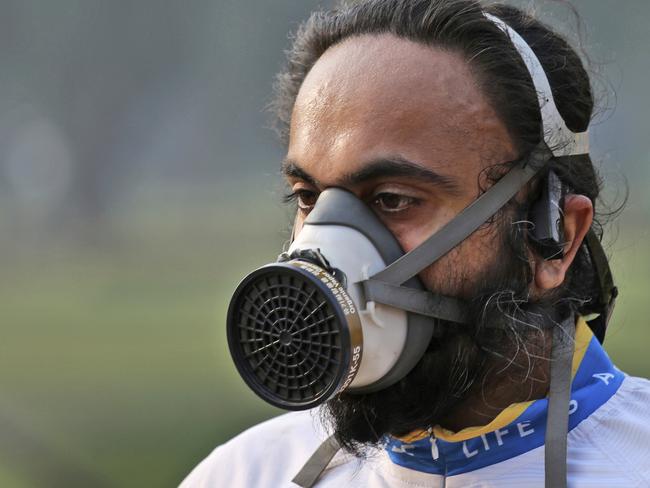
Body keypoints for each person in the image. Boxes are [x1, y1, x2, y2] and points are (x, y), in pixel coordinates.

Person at [181, 1, 650, 486]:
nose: (325, 248)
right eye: (308, 197)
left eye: (393, 199)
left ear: (556, 240)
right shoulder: (245, 474)